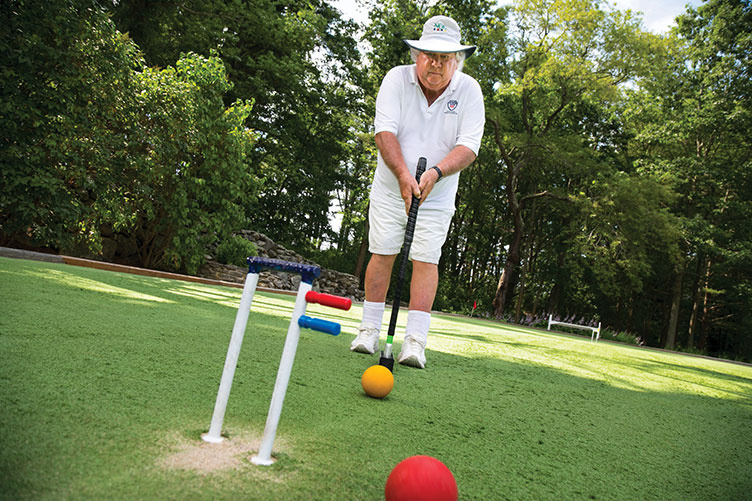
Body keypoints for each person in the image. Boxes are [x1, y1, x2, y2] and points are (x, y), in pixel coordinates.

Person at [350, 15, 485, 368]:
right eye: (429, 55)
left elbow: (469, 146)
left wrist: (437, 172)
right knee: (382, 251)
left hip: (436, 193)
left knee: (426, 259)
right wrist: (402, 175)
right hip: (391, 186)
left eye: (445, 57)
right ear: (416, 54)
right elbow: (384, 132)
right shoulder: (396, 78)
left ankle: (415, 341)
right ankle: (368, 329)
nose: (436, 63)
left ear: (457, 60)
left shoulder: (469, 90)